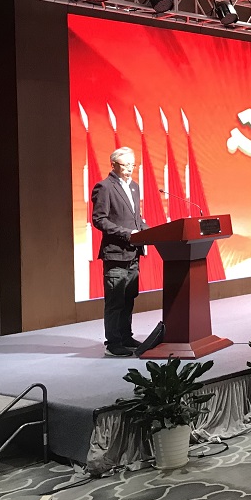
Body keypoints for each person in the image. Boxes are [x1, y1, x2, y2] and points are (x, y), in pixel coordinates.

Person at [91, 146, 147, 357]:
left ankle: (125, 336)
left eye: (133, 164)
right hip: (115, 253)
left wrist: (150, 231)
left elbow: (136, 219)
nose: (130, 169)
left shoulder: (134, 187)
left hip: (133, 253)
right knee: (115, 300)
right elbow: (99, 220)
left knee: (129, 297)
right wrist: (127, 234)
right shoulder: (104, 187)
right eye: (125, 165)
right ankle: (113, 343)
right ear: (113, 164)